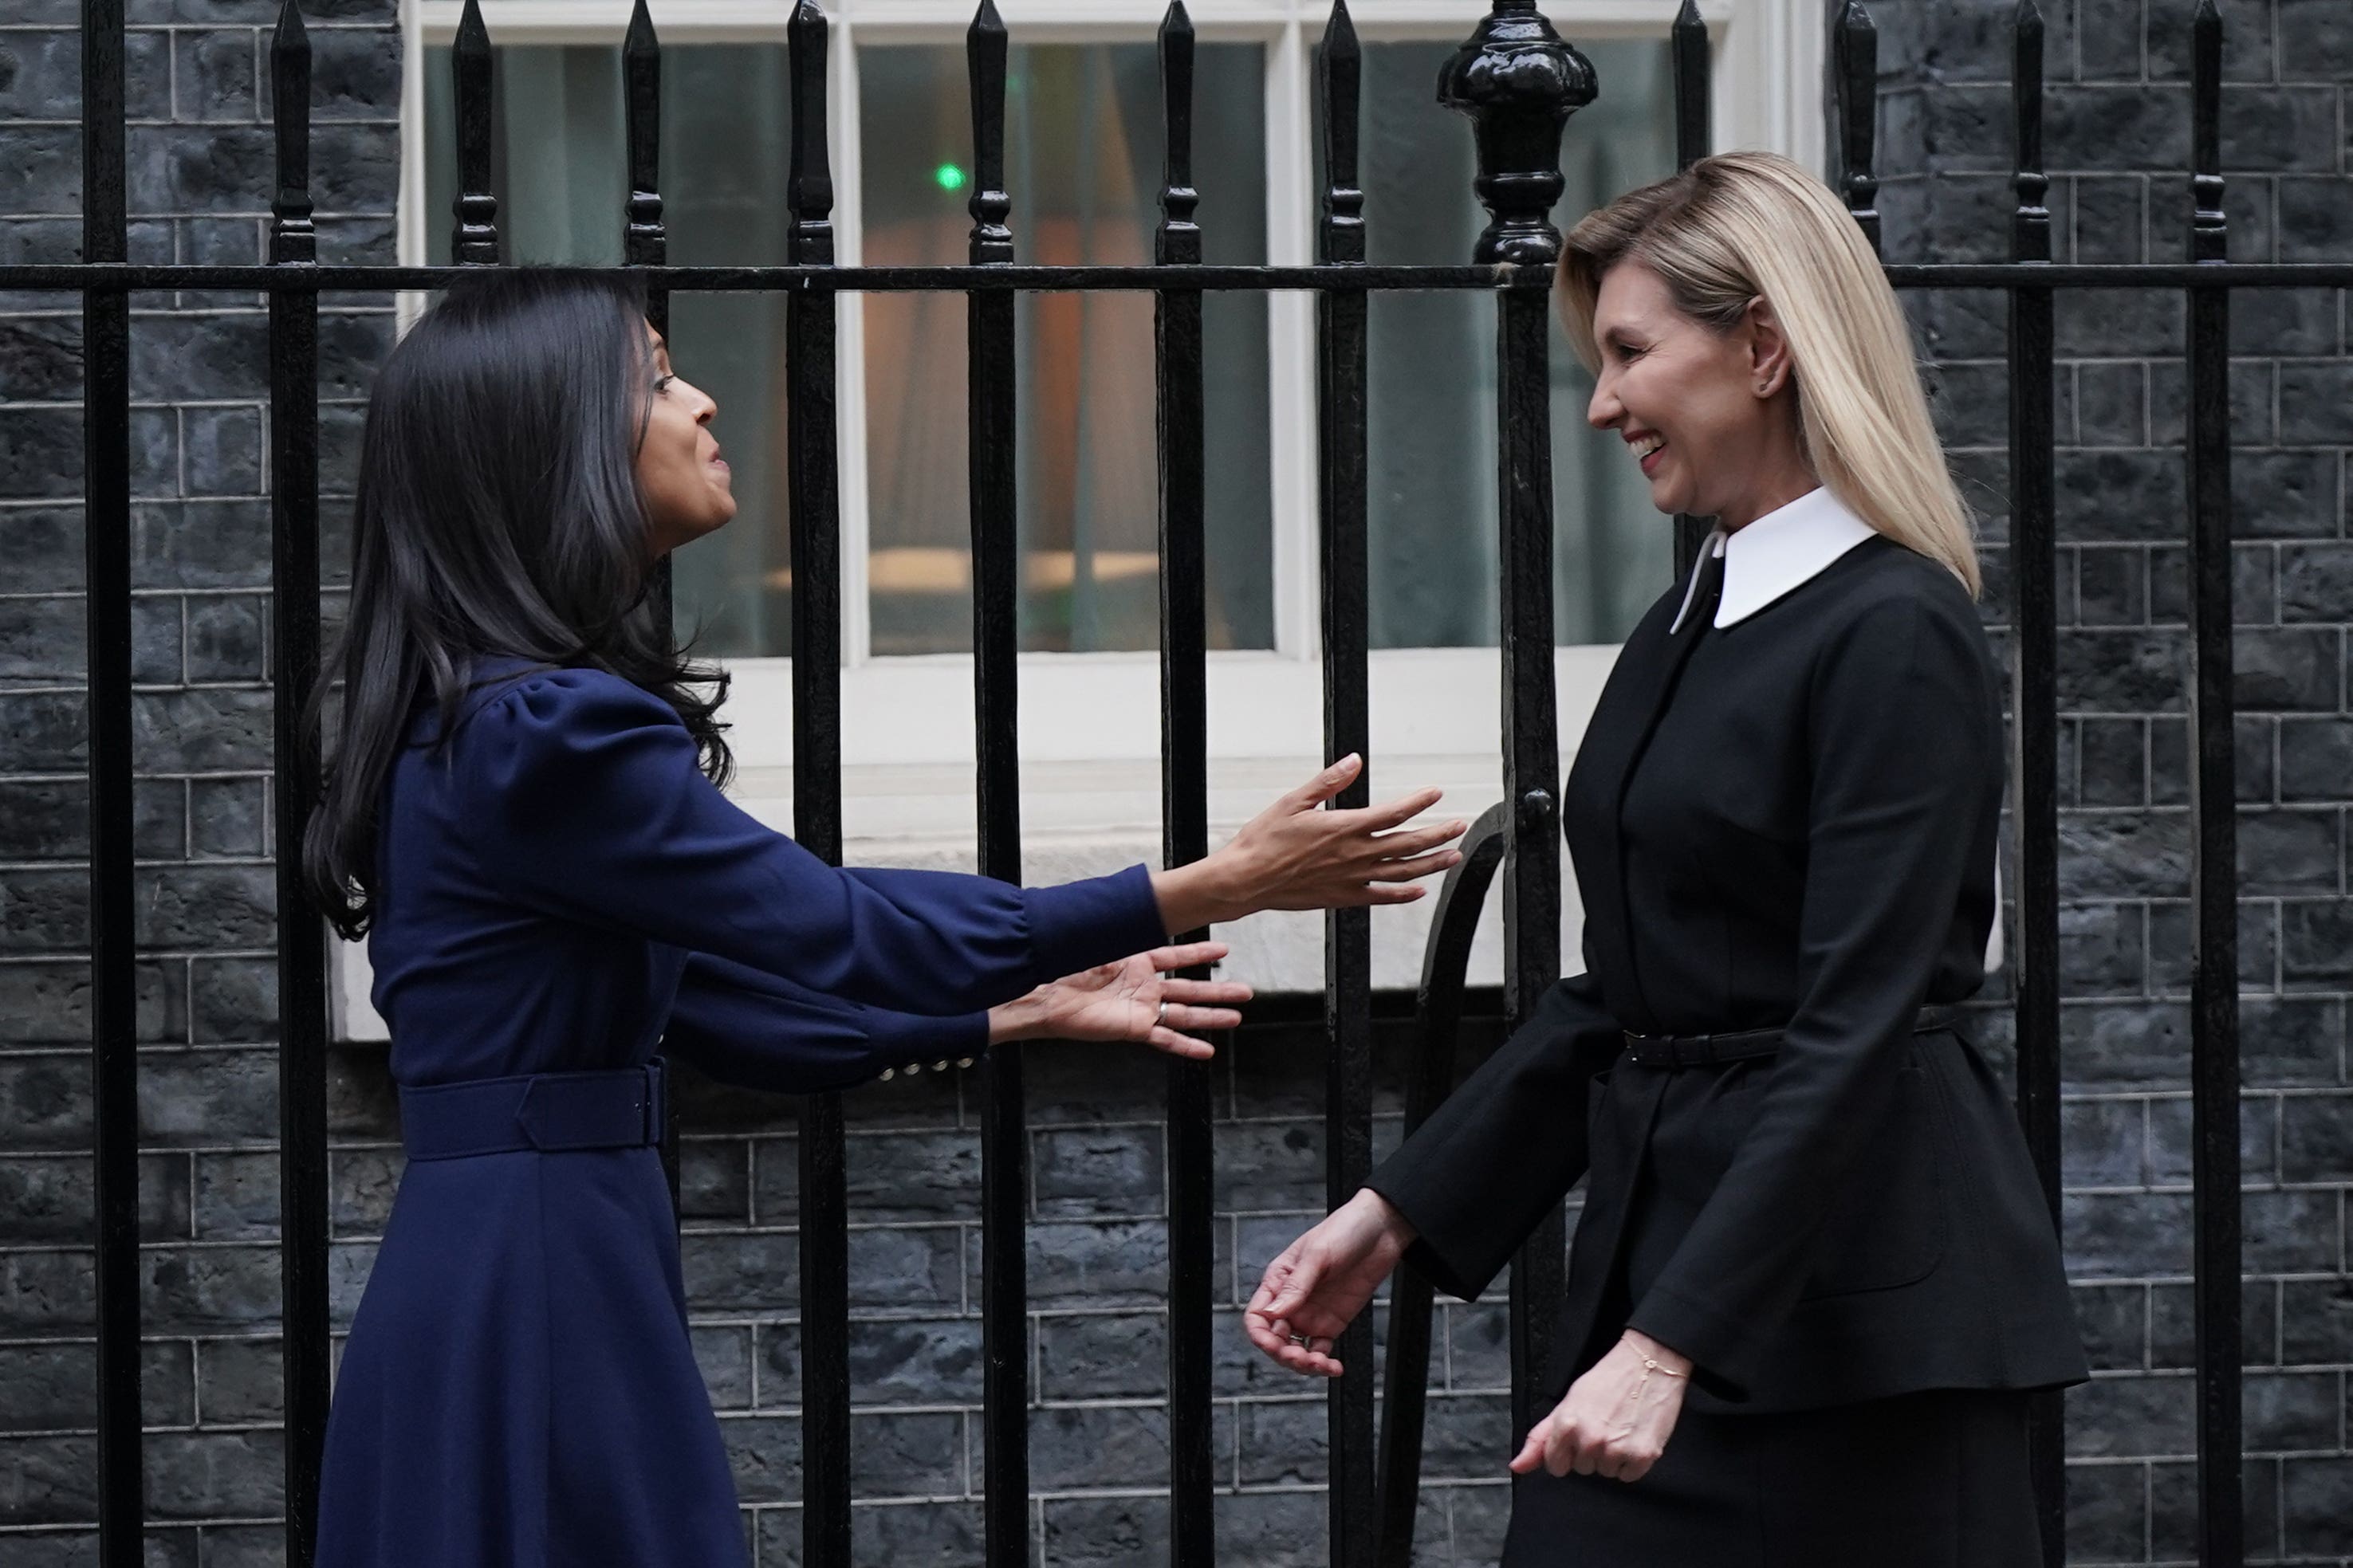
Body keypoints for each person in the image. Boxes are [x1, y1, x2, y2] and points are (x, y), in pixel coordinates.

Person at [305, 269, 1467, 1568]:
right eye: (655, 377)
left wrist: (1018, 1009)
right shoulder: (544, 735)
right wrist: (1204, 886)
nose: (700, 401)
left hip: (512, 1260)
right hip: (537, 1278)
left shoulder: (482, 727)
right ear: (551, 444)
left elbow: (735, 1011)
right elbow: (838, 929)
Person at [1243, 151, 2087, 1566]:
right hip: (1676, 1277)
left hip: (1863, 1333)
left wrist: (1670, 1346)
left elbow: (1855, 1029)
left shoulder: (1894, 631)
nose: (1602, 402)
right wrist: (1397, 1211)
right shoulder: (1686, 621)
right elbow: (1630, 989)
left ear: (1764, 345)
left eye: (1631, 352)